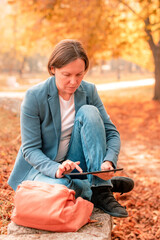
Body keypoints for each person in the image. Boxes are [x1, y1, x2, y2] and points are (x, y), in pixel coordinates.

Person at [8, 39, 134, 218]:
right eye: (66, 75)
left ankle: (101, 187)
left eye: (79, 75)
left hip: (77, 163)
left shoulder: (89, 91)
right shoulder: (34, 97)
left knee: (89, 112)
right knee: (61, 189)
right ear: (53, 69)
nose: (73, 82)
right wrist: (56, 168)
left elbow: (111, 132)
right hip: (43, 167)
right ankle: (99, 186)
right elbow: (30, 149)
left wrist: (109, 162)